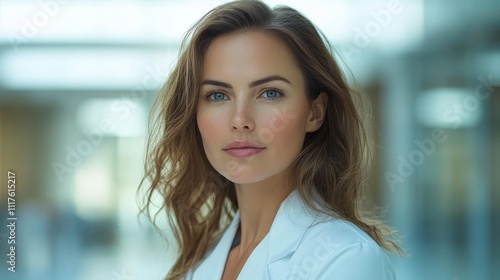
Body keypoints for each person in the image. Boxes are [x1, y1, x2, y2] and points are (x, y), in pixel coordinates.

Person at [140, 1, 402, 279]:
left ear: (315, 112)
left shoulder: (346, 259)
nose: (240, 119)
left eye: (269, 93)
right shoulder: (203, 256)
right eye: (218, 95)